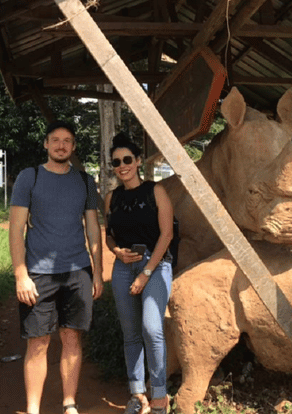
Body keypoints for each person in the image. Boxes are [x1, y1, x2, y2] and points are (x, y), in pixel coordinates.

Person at [8, 120, 103, 414]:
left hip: (77, 271)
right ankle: (33, 408)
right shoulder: (29, 177)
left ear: (73, 147)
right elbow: (15, 229)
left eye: (67, 141)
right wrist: (21, 274)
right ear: (46, 144)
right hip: (38, 274)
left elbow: (93, 228)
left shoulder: (85, 182)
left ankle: (69, 403)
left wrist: (97, 271)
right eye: (55, 140)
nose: (61, 145)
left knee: (72, 337)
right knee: (38, 342)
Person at [105, 133, 175, 414]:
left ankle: (160, 396)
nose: (122, 166)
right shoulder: (112, 197)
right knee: (131, 333)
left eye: (127, 160)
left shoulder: (155, 191)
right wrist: (117, 252)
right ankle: (137, 395)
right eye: (116, 162)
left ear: (137, 162)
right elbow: (109, 236)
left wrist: (146, 272)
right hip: (123, 266)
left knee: (152, 328)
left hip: (156, 263)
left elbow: (167, 234)